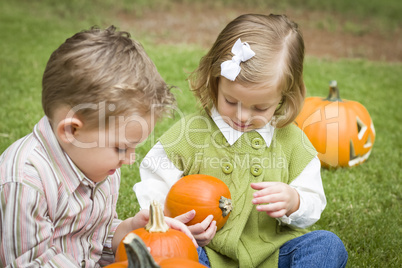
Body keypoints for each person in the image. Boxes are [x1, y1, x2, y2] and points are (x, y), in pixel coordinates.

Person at [134, 14, 348, 267]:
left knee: (328, 245)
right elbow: (154, 178)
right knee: (169, 253)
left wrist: (294, 201)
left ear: (283, 97)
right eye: (230, 101)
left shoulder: (293, 142)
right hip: (206, 251)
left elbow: (313, 201)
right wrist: (174, 223)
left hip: (275, 253)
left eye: (259, 108)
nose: (242, 116)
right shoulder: (192, 133)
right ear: (215, 83)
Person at [0, 25, 197, 267]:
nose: (130, 159)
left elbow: (95, 237)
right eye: (121, 148)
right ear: (72, 131)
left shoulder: (98, 166)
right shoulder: (26, 182)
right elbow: (30, 262)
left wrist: (131, 229)